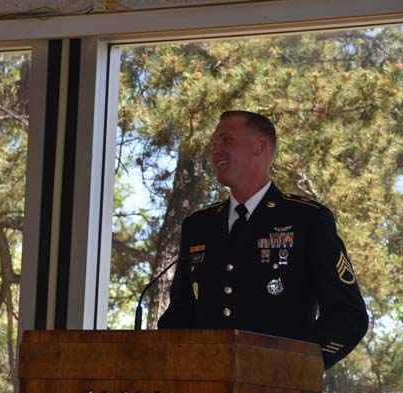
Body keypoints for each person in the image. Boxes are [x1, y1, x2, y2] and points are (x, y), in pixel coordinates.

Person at [157, 110, 368, 370]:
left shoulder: (306, 219)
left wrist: (293, 367)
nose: (215, 152)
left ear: (260, 146)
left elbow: (348, 317)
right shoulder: (199, 225)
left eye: (226, 140)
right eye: (213, 145)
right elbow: (180, 314)